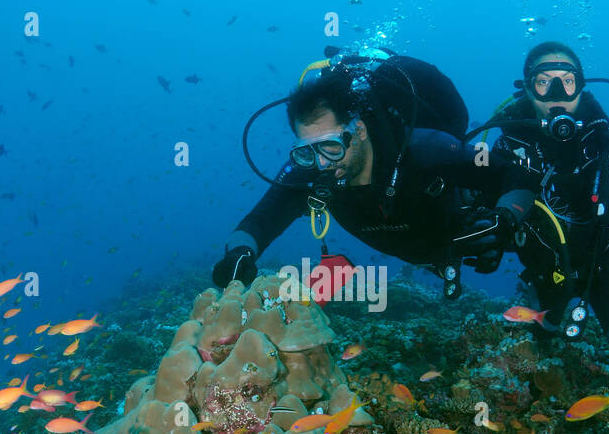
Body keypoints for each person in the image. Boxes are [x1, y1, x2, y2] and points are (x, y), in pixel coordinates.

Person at [213, 49, 536, 299]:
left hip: (460, 229)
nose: (322, 163)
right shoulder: (311, 170)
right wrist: (240, 254)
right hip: (422, 249)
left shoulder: (427, 149)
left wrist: (505, 219)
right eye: (307, 150)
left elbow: (515, 177)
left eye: (332, 147)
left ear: (360, 130)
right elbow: (258, 222)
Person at [484, 41, 609, 358]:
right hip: (546, 266)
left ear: (580, 86)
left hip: (605, 263)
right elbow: (489, 203)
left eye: (567, 82)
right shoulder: (511, 139)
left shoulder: (604, 138)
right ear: (528, 89)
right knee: (541, 336)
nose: (557, 95)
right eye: (544, 83)